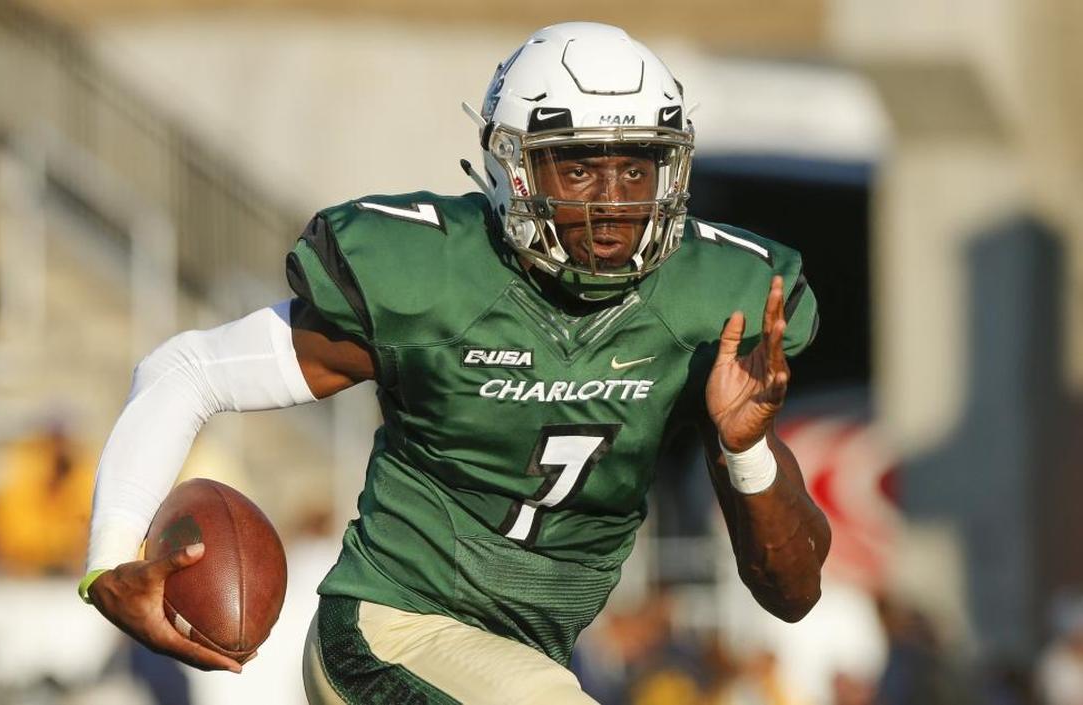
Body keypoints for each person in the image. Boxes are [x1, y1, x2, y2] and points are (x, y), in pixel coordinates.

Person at [80, 22, 830, 704]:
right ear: (514, 168)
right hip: (386, 634)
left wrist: (747, 448)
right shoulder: (436, 275)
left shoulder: (711, 306)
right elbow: (189, 370)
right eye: (579, 170)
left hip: (529, 657)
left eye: (636, 171)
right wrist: (110, 557)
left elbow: (793, 592)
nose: (613, 204)